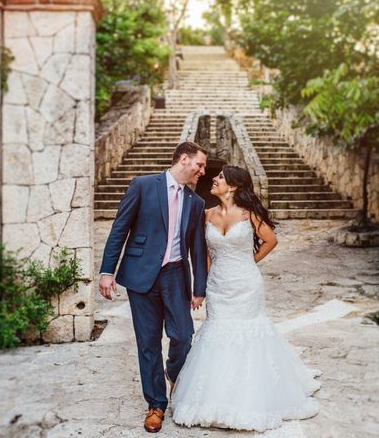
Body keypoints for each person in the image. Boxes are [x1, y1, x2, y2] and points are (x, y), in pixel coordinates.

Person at [172, 165, 320, 432]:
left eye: (219, 177)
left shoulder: (250, 214)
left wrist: (249, 261)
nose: (213, 179)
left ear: (234, 186)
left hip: (246, 284)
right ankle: (214, 398)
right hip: (219, 285)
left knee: (249, 332)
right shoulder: (206, 214)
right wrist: (202, 286)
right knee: (218, 332)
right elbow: (204, 254)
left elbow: (270, 240)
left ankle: (252, 396)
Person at [98, 141, 208, 433]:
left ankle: (173, 373)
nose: (203, 171)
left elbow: (197, 248)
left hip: (175, 276)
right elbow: (119, 228)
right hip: (141, 276)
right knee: (148, 343)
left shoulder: (196, 203)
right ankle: (156, 404)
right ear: (184, 159)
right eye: (200, 165)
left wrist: (200, 287)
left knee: (183, 335)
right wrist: (107, 270)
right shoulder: (143, 186)